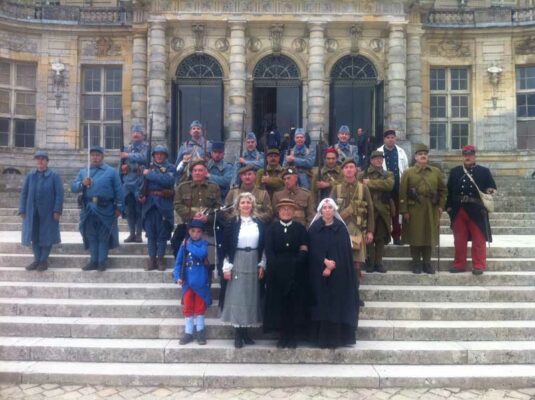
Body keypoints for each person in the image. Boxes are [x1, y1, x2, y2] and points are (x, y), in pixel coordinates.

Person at [308, 198, 359, 349]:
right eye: (324, 208)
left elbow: (344, 253)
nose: (327, 210)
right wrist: (323, 262)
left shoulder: (341, 229)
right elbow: (312, 250)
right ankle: (320, 338)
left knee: (336, 304)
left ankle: (336, 338)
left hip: (338, 274)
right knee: (321, 304)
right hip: (318, 275)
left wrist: (331, 266)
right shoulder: (314, 228)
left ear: (334, 210)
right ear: (320, 211)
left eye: (330, 207)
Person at [221, 192, 266, 349]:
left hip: (253, 259)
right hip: (237, 259)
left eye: (248, 202)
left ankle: (246, 333)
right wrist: (227, 266)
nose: (246, 205)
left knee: (250, 297)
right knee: (238, 297)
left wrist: (262, 264)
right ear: (238, 206)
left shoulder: (258, 223)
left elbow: (263, 245)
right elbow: (226, 246)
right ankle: (238, 334)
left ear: (252, 205)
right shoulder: (232, 222)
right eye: (243, 203)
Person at [264, 198, 309, 348]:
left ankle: (292, 335)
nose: (286, 211)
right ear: (279, 212)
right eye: (283, 209)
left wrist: (297, 262)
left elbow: (304, 247)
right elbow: (269, 250)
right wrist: (276, 265)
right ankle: (282, 335)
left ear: (294, 211)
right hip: (277, 272)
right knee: (280, 304)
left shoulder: (300, 228)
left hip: (296, 271)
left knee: (294, 304)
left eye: (289, 209)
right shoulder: (271, 229)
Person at [71, 145, 124, 272]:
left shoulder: (111, 172)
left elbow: (119, 190)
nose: (95, 158)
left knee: (103, 236)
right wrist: (82, 184)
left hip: (106, 208)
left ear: (102, 156)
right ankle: (93, 261)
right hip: (88, 208)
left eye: (98, 155)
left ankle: (102, 262)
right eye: (93, 155)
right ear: (90, 157)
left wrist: (119, 207)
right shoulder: (84, 172)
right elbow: (73, 188)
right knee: (91, 235)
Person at [446, 145, 497, 275]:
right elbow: (449, 190)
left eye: (470, 155)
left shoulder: (484, 171)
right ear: (462, 156)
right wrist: (449, 207)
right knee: (459, 239)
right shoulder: (455, 171)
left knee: (479, 239)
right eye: (465, 154)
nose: (467, 157)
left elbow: (491, 187)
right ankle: (459, 265)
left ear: (474, 156)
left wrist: (490, 191)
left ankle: (479, 265)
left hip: (476, 209)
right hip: (458, 209)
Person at [399, 144, 447, 274]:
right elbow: (402, 193)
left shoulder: (435, 172)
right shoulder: (408, 172)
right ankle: (416, 263)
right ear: (415, 157)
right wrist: (404, 211)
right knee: (415, 236)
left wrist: (441, 206)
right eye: (420, 154)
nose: (423, 156)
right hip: (414, 209)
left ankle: (427, 263)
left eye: (425, 154)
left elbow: (443, 190)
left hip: (431, 208)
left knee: (429, 236)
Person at [19, 150, 64, 272]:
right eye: (38, 159)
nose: (40, 161)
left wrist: (57, 210)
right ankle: (37, 260)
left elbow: (59, 195)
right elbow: (24, 193)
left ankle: (43, 260)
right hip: (32, 212)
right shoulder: (30, 176)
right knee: (34, 236)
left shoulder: (54, 176)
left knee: (47, 236)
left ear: (47, 161)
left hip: (48, 213)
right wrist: (22, 209)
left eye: (43, 159)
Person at [331, 159, 374, 282]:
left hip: (357, 229)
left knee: (356, 264)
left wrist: (370, 231)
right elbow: (329, 210)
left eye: (351, 167)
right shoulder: (336, 188)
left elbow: (370, 210)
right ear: (342, 170)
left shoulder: (363, 188)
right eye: (346, 168)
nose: (349, 170)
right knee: (340, 262)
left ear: (356, 170)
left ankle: (355, 296)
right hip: (340, 229)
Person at [173, 220, 211, 345]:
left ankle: (200, 331)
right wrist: (177, 276)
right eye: (192, 231)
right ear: (189, 231)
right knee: (188, 306)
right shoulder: (183, 244)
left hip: (200, 279)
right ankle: (188, 332)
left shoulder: (203, 243)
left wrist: (188, 245)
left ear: (202, 233)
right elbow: (178, 263)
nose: (195, 234)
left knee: (200, 307)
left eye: (198, 232)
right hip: (187, 281)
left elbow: (201, 254)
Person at [172, 159, 221, 256]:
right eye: (195, 170)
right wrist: (193, 215)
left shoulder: (214, 187)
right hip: (187, 224)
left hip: (208, 226)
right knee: (176, 243)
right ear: (191, 172)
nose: (197, 173)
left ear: (205, 172)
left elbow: (218, 207)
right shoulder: (182, 187)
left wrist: (207, 218)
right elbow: (177, 205)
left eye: (200, 170)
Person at [139, 145, 175, 271]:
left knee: (162, 234)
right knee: (150, 234)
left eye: (162, 154)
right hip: (149, 205)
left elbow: (168, 181)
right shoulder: (147, 168)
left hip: (163, 204)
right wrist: (140, 195)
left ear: (165, 156)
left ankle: (160, 259)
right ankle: (152, 259)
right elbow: (140, 184)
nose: (159, 156)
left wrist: (150, 175)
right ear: (153, 156)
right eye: (156, 154)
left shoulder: (170, 168)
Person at [362, 151, 394, 273]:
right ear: (371, 160)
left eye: (381, 158)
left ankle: (378, 262)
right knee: (369, 237)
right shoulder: (362, 174)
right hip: (367, 210)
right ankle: (370, 261)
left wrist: (370, 183)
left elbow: (389, 185)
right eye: (376, 158)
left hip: (382, 210)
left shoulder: (388, 174)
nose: (378, 160)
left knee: (380, 238)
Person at [377, 129, 409, 245]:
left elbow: (405, 169)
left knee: (397, 214)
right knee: (384, 212)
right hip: (384, 187)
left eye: (392, 137)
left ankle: (396, 236)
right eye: (388, 138)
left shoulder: (401, 152)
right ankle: (385, 236)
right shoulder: (379, 151)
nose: (390, 139)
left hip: (397, 187)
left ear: (395, 139)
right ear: (384, 139)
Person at [120, 123, 148, 243]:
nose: (136, 135)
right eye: (134, 133)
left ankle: (138, 234)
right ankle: (131, 233)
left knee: (139, 209)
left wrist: (128, 155)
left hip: (140, 181)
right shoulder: (127, 147)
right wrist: (122, 170)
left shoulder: (146, 147)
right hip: (128, 182)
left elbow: (144, 158)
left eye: (139, 133)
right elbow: (121, 164)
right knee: (129, 210)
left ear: (143, 135)